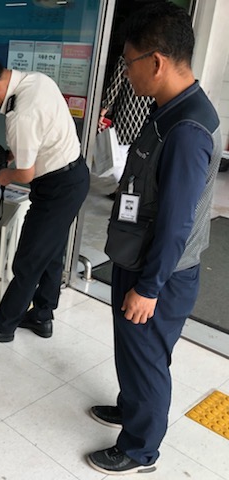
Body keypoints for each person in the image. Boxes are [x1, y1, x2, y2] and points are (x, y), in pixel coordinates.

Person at [88, 3, 222, 475]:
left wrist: (148, 287)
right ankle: (131, 408)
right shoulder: (170, 109)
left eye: (129, 63)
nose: (127, 73)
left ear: (157, 62)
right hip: (138, 256)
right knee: (132, 348)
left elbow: (176, 222)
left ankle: (140, 450)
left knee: (147, 359)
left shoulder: (187, 130)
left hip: (159, 272)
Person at [0, 57, 90, 342]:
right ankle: (42, 316)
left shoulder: (20, 115)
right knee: (51, 253)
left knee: (29, 259)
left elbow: (26, 174)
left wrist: (5, 175)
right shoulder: (38, 80)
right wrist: (15, 153)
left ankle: (4, 326)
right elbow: (43, 130)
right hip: (73, 176)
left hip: (56, 187)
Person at [98, 56, 153, 198]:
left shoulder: (126, 59)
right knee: (138, 154)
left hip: (126, 114)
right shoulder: (153, 60)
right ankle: (126, 187)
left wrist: (103, 112)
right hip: (146, 115)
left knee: (119, 154)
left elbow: (114, 87)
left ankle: (123, 187)